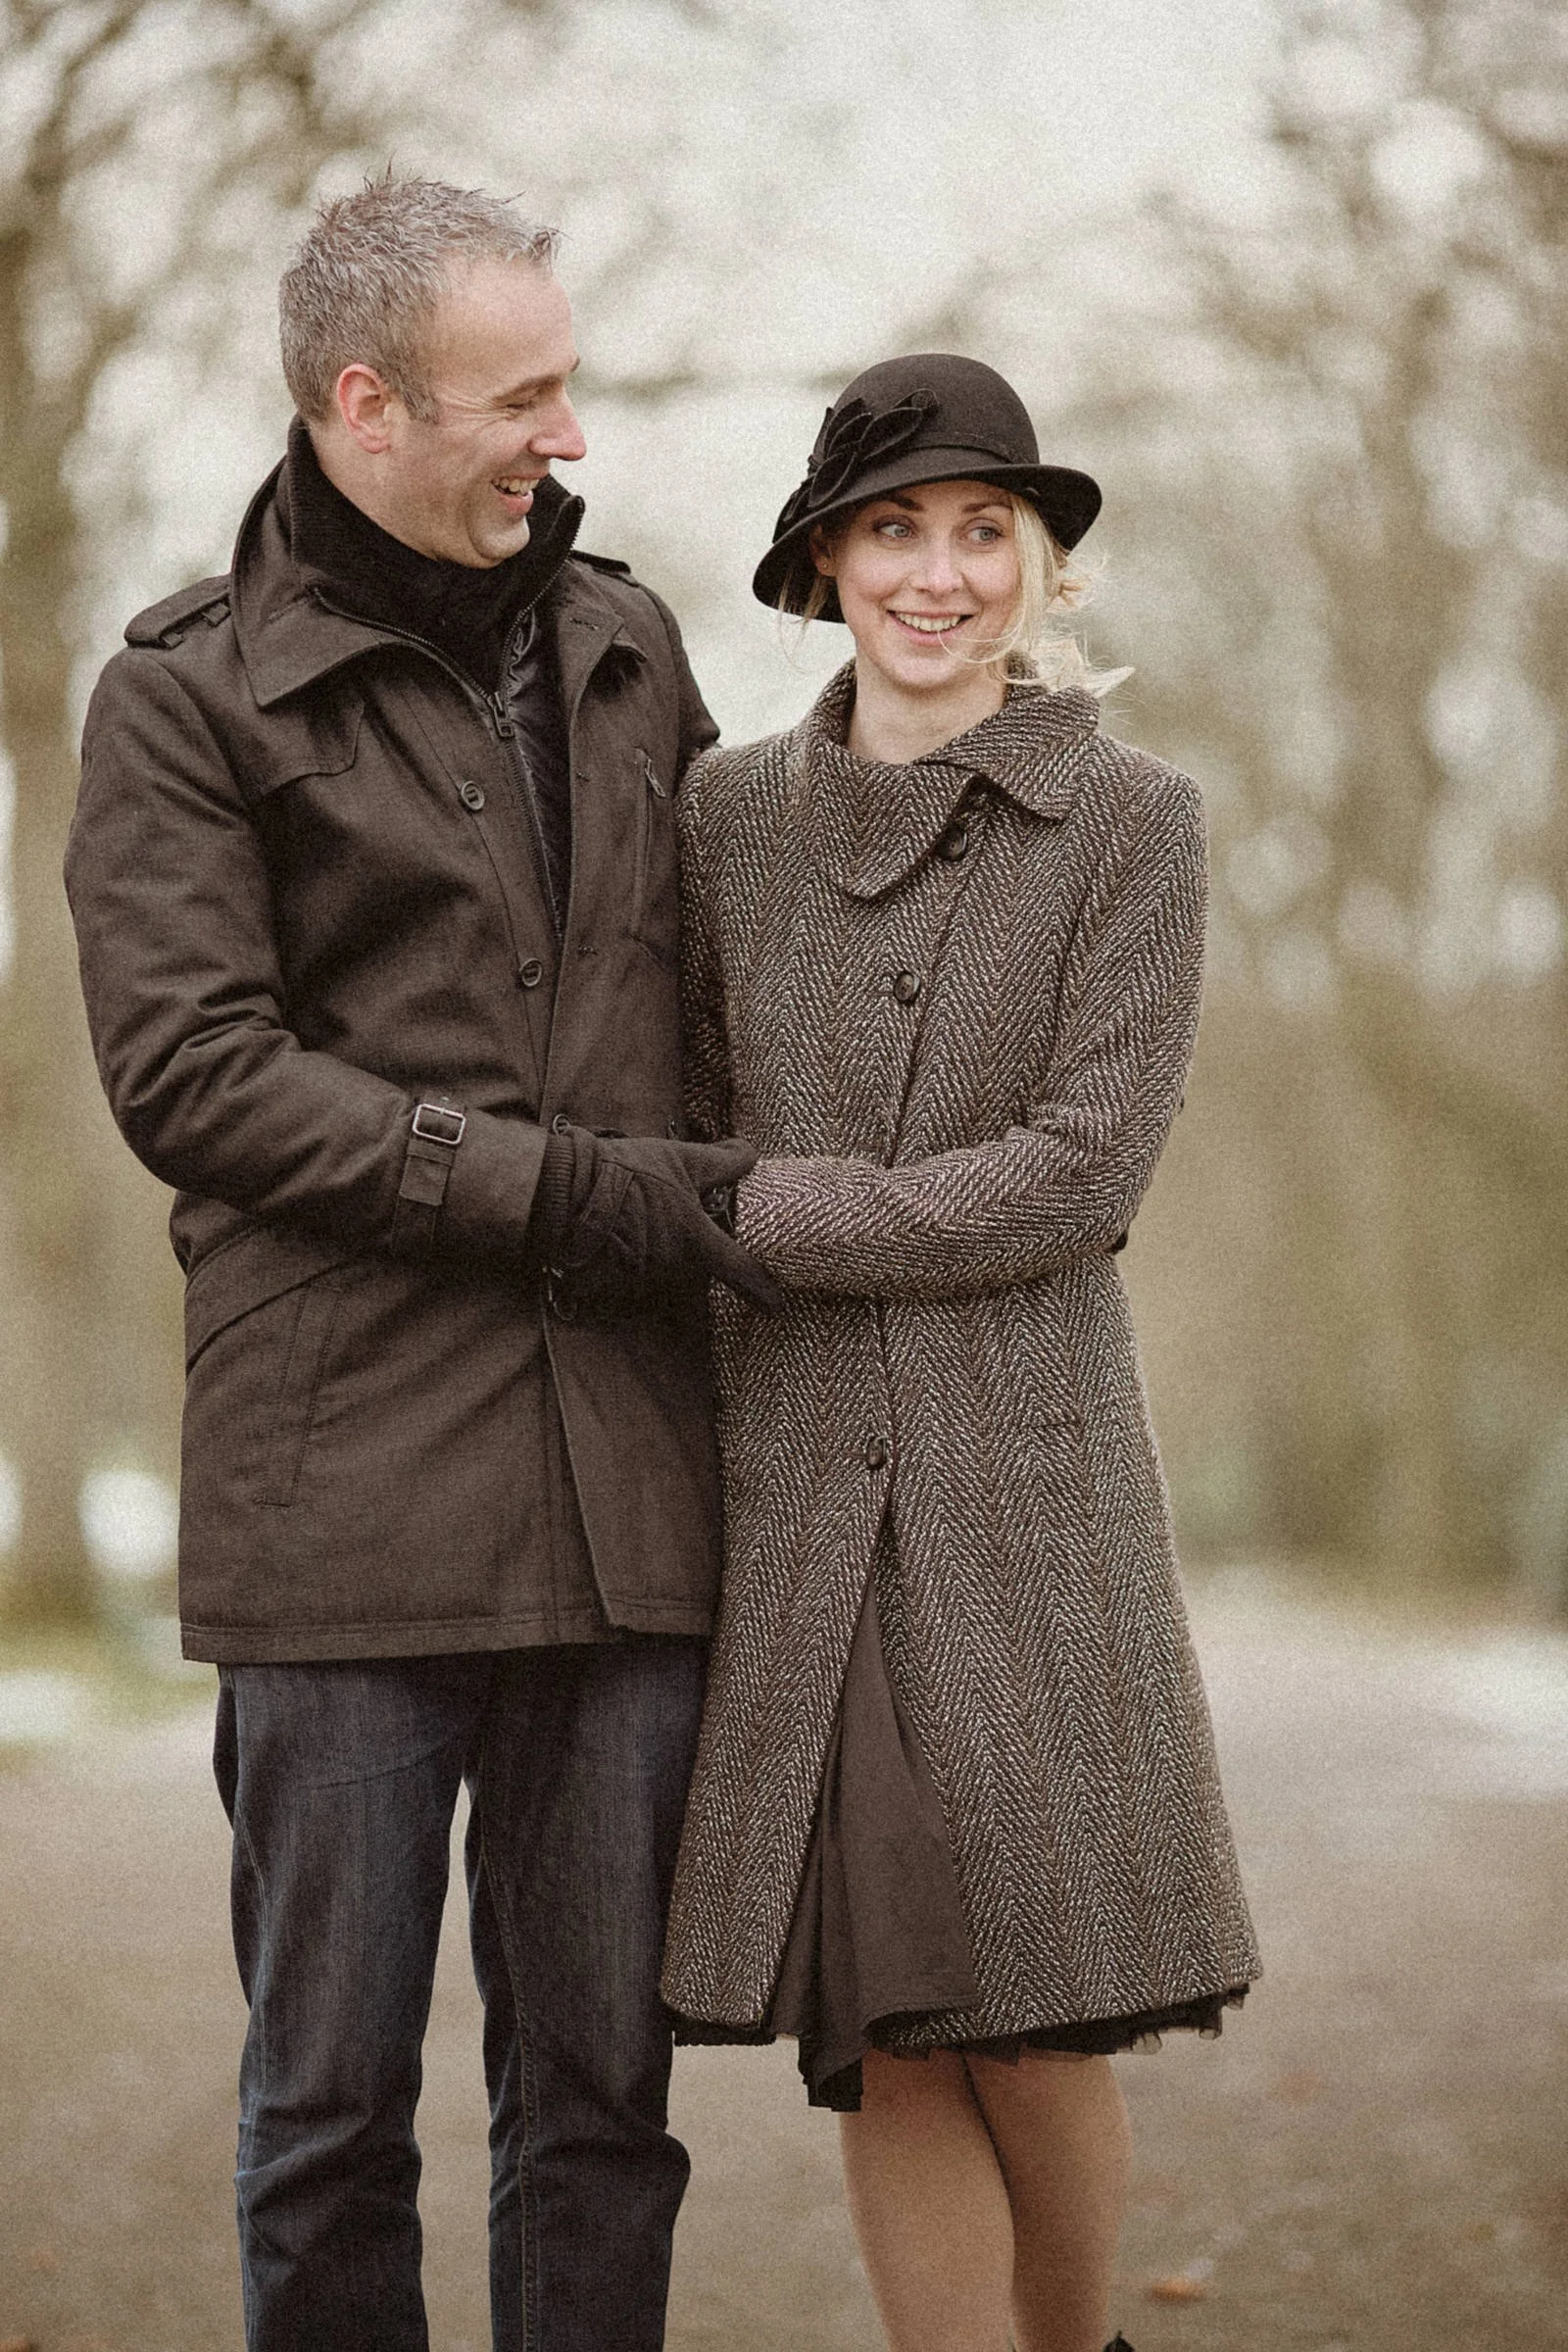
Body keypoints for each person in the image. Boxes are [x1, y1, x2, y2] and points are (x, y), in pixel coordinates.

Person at [65, 174, 778, 2352]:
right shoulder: (180, 697)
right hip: (342, 1504)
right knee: (327, 2114)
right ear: (363, 403)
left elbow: (733, 1011)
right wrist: (554, 1193)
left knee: (601, 2107)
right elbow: (193, 1074)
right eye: (522, 396)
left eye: (568, 387)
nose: (566, 438)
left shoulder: (634, 650)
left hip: (625, 1500)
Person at [661, 355, 1261, 2352]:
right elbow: (663, 1106)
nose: (939, 572)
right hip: (799, 1493)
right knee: (887, 2026)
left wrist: (760, 1218)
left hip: (1021, 1484)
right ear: (825, 564)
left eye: (983, 531)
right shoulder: (721, 816)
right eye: (895, 529)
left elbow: (1078, 1176)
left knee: (1025, 2008)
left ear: (1043, 571)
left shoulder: (1131, 822)